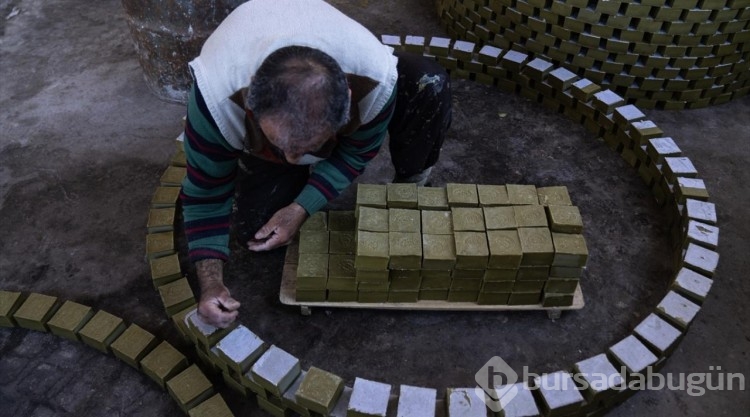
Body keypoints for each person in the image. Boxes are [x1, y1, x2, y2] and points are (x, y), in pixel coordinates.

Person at [181, 0, 452, 328]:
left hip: (356, 66)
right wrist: (210, 284)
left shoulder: (375, 80)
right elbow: (205, 195)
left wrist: (301, 207)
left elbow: (355, 153)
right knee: (253, 230)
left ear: (348, 102)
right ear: (253, 103)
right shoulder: (215, 98)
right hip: (243, 62)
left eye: (311, 147)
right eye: (282, 147)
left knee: (428, 83)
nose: (296, 160)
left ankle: (412, 183)